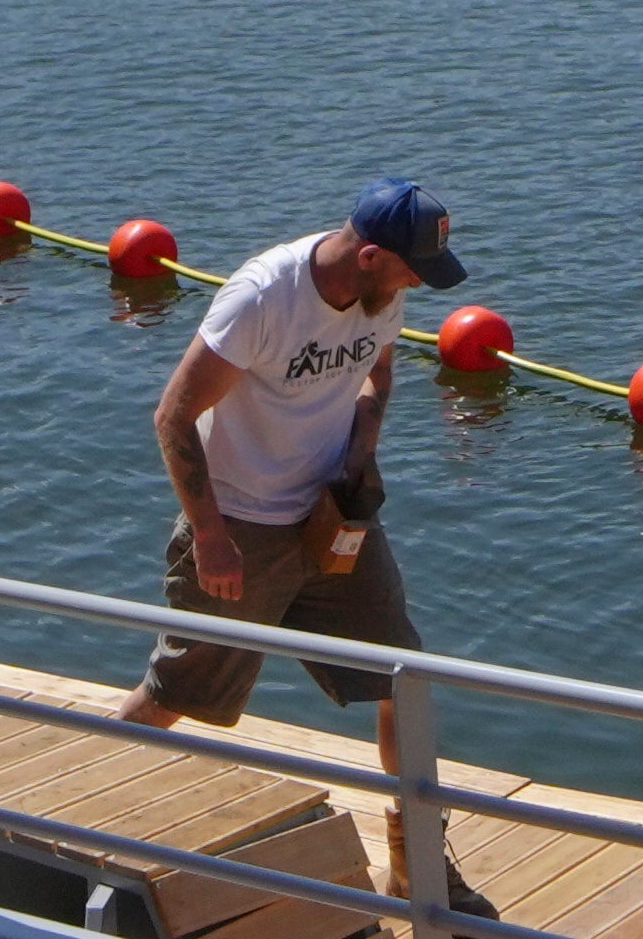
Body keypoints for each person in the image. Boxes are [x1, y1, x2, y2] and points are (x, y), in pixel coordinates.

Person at [115, 179, 462, 762]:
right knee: (174, 696)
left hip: (332, 519)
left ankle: (417, 846)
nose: (419, 283)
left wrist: (363, 446)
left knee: (404, 677)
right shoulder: (262, 299)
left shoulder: (381, 293)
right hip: (241, 529)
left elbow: (378, 367)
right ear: (369, 256)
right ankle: (79, 809)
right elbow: (174, 416)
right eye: (413, 269)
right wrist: (209, 536)